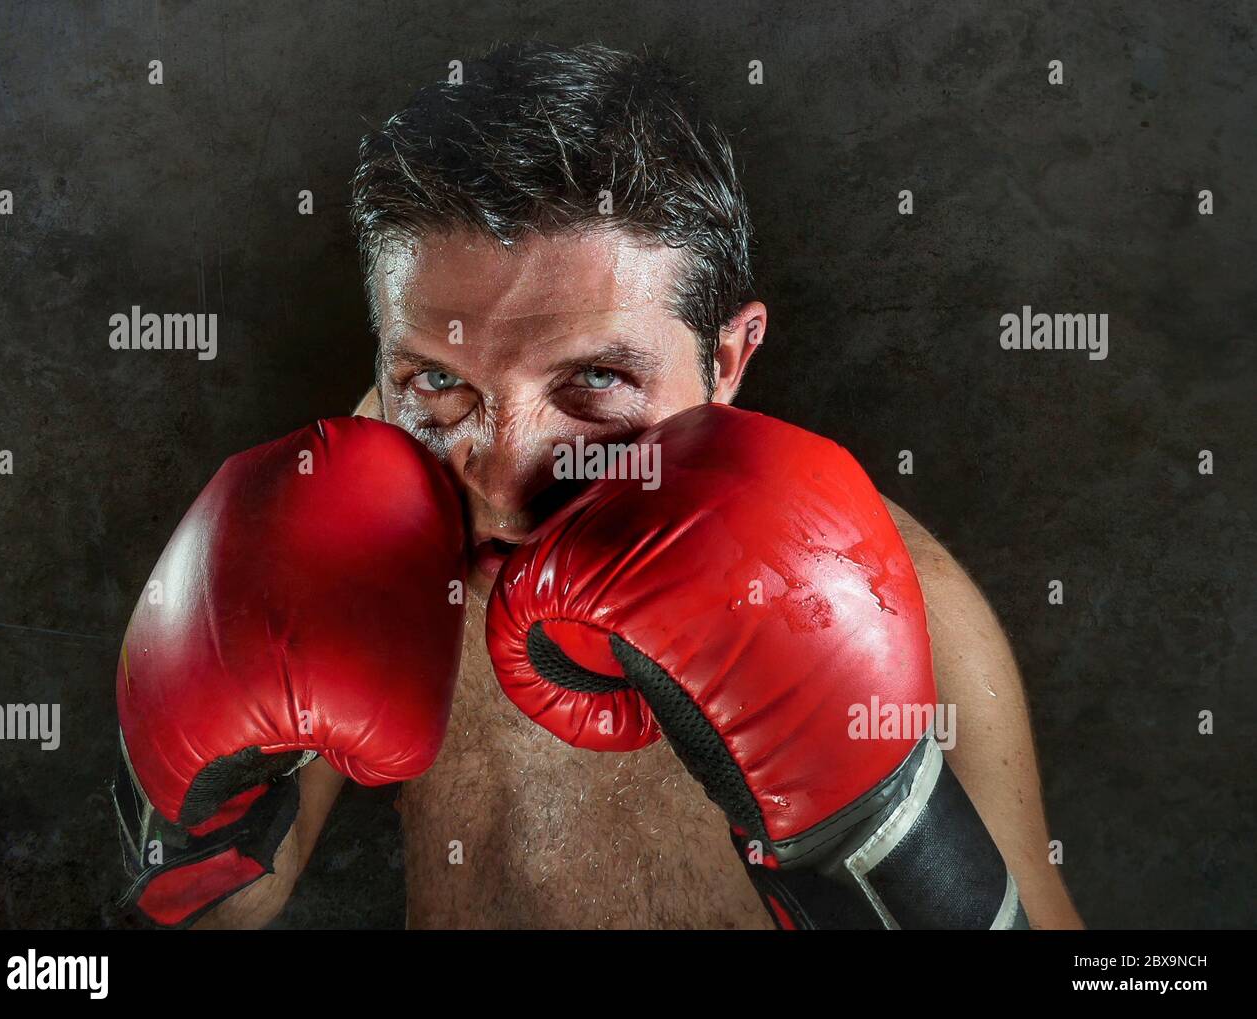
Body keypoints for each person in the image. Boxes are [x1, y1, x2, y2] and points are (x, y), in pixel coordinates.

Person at [117, 42, 1082, 930]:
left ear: (731, 357)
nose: (501, 487)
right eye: (441, 382)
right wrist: (191, 826)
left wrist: (891, 842)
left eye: (593, 384)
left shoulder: (894, 611)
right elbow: (211, 914)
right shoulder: (362, 536)